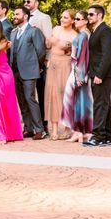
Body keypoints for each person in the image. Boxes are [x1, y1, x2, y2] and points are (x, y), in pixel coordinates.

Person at [10, 6, 47, 140]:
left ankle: (40, 129)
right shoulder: (13, 33)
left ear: (25, 16)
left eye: (17, 14)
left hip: (29, 71)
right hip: (15, 72)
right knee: (22, 101)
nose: (14, 16)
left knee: (30, 99)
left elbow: (41, 51)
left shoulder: (33, 32)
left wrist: (37, 67)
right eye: (14, 14)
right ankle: (28, 128)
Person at [83, 4, 111, 147]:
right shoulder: (96, 30)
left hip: (102, 74)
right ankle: (108, 135)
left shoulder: (106, 31)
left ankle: (98, 136)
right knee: (105, 105)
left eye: (91, 14)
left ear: (99, 15)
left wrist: (99, 74)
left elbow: (107, 55)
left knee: (100, 105)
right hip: (96, 73)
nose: (88, 17)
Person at [45, 9, 78, 140]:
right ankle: (54, 129)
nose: (62, 19)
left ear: (72, 20)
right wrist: (58, 43)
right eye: (62, 17)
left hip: (66, 65)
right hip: (53, 64)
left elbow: (69, 50)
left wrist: (57, 42)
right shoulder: (56, 29)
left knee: (65, 95)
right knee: (52, 94)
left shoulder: (75, 34)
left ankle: (67, 128)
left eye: (65, 17)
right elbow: (49, 43)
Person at [61, 10, 94, 143]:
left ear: (86, 21)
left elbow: (81, 58)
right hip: (81, 73)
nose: (75, 21)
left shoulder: (82, 36)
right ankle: (81, 131)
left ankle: (78, 131)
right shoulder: (86, 35)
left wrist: (79, 76)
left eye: (78, 19)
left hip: (78, 73)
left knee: (71, 101)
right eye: (76, 19)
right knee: (81, 102)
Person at [25, 0, 52, 133]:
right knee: (28, 95)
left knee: (41, 93)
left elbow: (48, 41)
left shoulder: (43, 18)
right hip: (25, 63)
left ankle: (44, 125)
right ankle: (31, 125)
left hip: (39, 62)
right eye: (25, 1)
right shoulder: (24, 17)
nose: (26, 3)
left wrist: (45, 61)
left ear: (36, 3)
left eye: (28, 1)